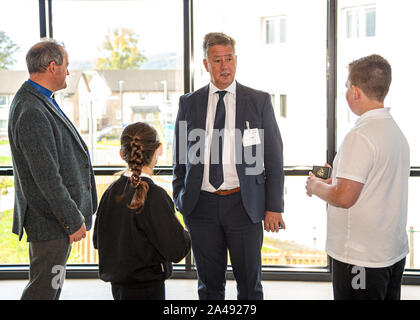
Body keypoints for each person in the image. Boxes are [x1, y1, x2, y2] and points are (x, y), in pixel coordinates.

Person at [173, 32, 285, 300]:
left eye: (229, 59)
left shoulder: (258, 101)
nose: (224, 66)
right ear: (205, 64)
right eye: (217, 60)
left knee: (249, 286)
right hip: (201, 207)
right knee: (209, 287)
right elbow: (179, 157)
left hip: (244, 207)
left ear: (236, 60)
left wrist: (274, 207)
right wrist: (181, 197)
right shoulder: (189, 103)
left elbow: (274, 158)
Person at [305, 54, 410, 300]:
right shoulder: (395, 132)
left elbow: (344, 197)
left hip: (361, 257)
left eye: (345, 87)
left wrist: (316, 185)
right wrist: (336, 180)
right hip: (390, 253)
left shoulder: (360, 136)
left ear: (355, 91)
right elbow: (375, 183)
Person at [8, 38, 98, 300]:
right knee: (43, 291)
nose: (68, 72)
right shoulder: (32, 109)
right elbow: (48, 178)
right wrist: (72, 219)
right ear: (51, 67)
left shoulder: (40, 100)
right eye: (66, 65)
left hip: (53, 222)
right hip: (51, 224)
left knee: (50, 287)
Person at [93, 122, 191, 300]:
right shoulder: (155, 196)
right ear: (159, 149)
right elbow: (177, 249)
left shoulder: (111, 192)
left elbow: (98, 241)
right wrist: (185, 231)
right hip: (149, 289)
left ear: (122, 154)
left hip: (118, 288)